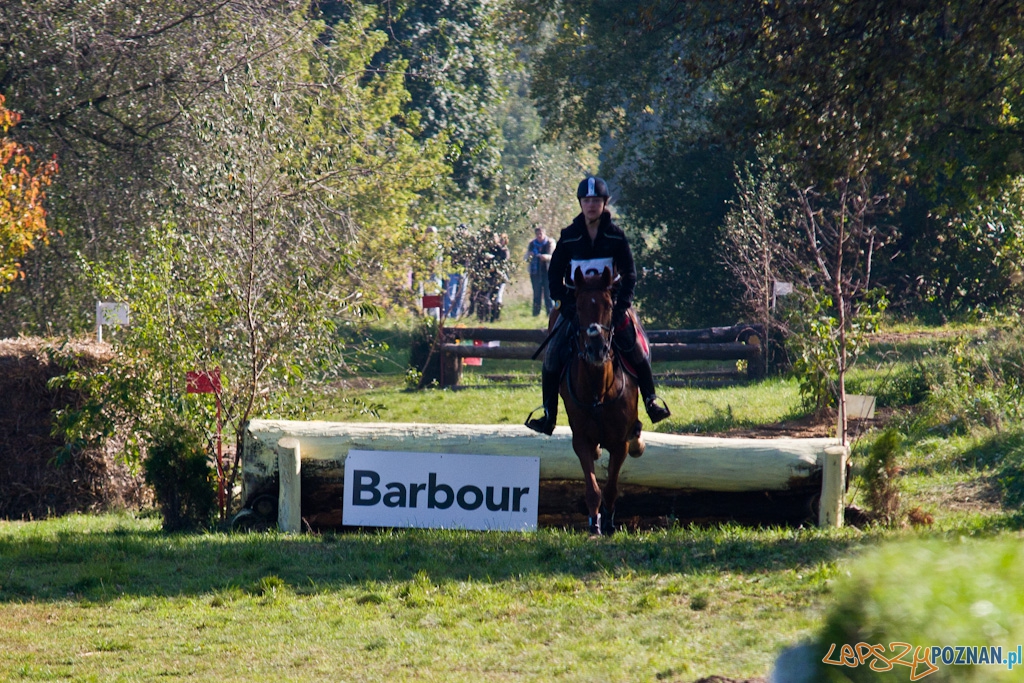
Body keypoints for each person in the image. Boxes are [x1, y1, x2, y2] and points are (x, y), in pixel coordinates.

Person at [525, 176, 671, 435]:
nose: (591, 205)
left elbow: (630, 275)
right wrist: (564, 305)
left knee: (636, 348)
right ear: (581, 203)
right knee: (552, 356)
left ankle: (650, 400)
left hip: (610, 309)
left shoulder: (615, 236)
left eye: (596, 200)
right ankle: (548, 413)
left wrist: (621, 305)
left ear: (605, 203)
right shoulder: (569, 237)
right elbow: (554, 276)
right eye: (587, 200)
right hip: (575, 310)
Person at [525, 226, 554, 316]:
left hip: (547, 271)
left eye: (541, 233)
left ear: (544, 234)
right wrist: (529, 255)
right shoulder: (532, 244)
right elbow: (526, 257)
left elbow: (556, 257)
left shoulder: (550, 243)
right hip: (535, 272)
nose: (539, 235)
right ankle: (536, 313)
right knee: (536, 294)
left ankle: (550, 313)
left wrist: (547, 257)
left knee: (548, 294)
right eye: (537, 234)